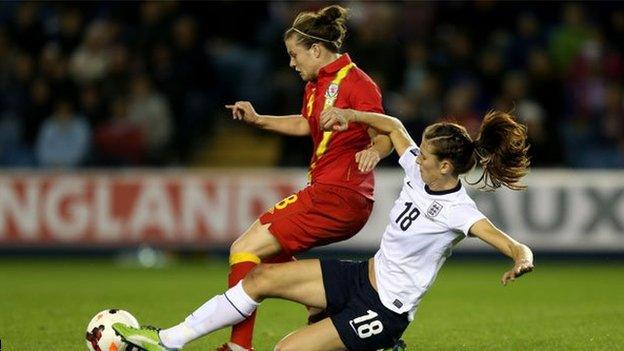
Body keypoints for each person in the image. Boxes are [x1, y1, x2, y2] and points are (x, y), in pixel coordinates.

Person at [113, 108, 534, 351]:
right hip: (360, 276)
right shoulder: (415, 167)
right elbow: (392, 126)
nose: (415, 157)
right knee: (259, 277)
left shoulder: (460, 211)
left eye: (425, 155)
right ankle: (169, 340)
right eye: (419, 151)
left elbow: (512, 244)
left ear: (446, 166)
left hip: (384, 310)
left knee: (284, 350)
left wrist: (521, 259)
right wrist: (351, 115)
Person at [219, 5, 393, 350]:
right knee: (261, 254)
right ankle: (323, 302)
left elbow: (385, 131)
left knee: (244, 248)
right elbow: (305, 123)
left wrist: (377, 150)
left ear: (316, 50)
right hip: (327, 190)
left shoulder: (358, 83)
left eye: (294, 54)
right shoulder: (316, 84)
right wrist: (258, 120)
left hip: (341, 193)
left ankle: (239, 346)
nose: (291, 63)